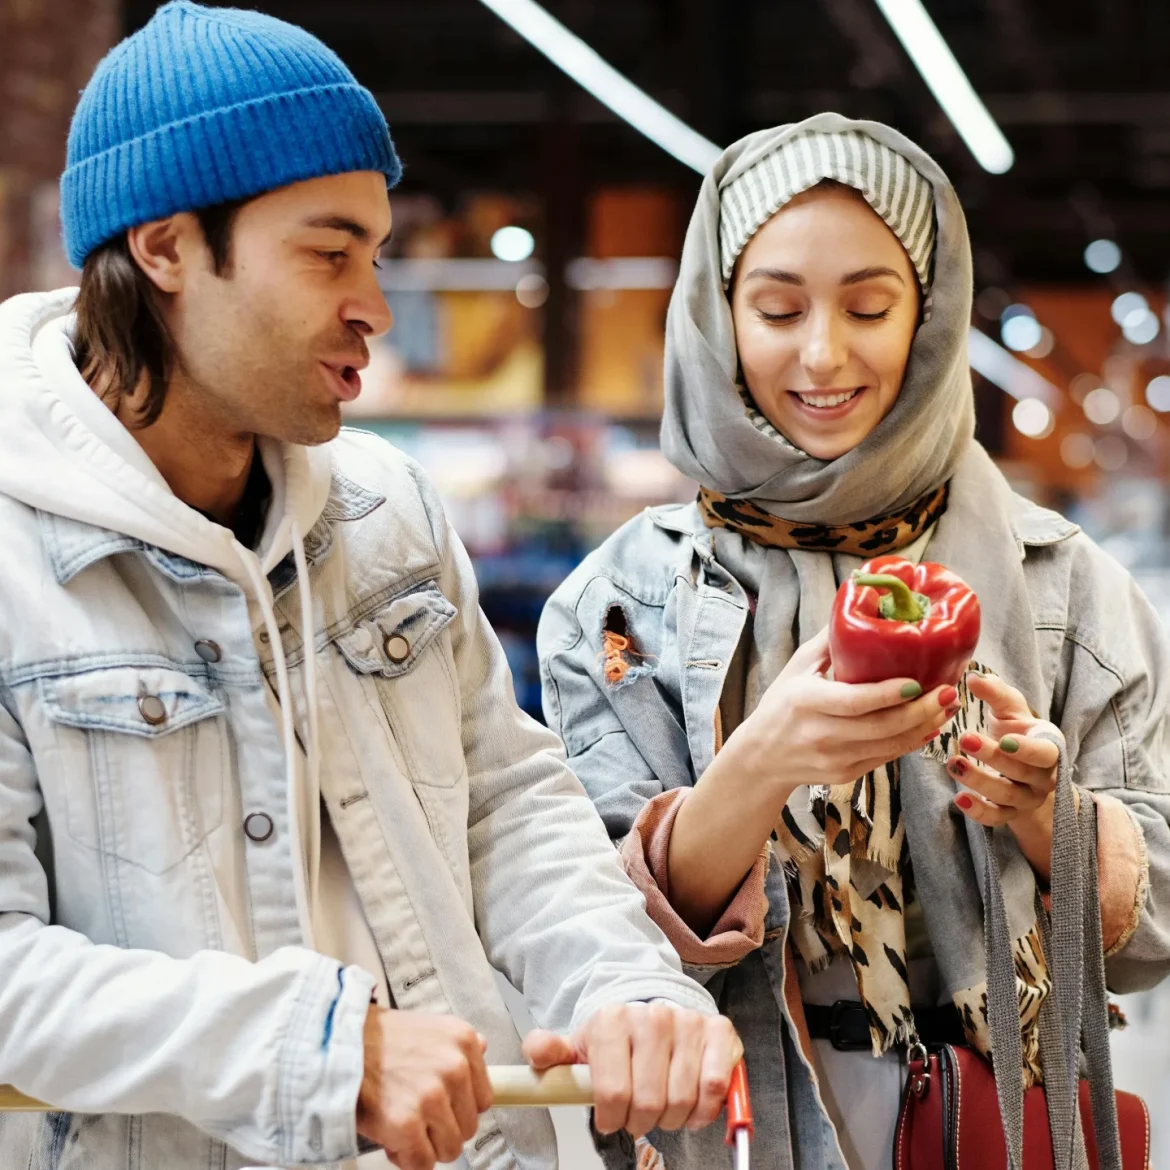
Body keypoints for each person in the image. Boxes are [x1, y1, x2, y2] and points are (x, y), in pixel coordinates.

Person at [0, 6, 742, 1170]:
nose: (375, 307)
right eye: (327, 251)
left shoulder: (385, 506)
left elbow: (504, 804)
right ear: (166, 247)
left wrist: (624, 983)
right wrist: (319, 1053)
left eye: (377, 255)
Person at [538, 112, 1170, 1170]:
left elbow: (1153, 934)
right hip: (730, 1132)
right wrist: (760, 764)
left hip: (996, 1134)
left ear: (928, 320)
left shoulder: (1062, 585)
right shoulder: (618, 608)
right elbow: (591, 949)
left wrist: (1046, 817)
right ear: (716, 315)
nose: (823, 353)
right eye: (776, 308)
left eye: (871, 307)